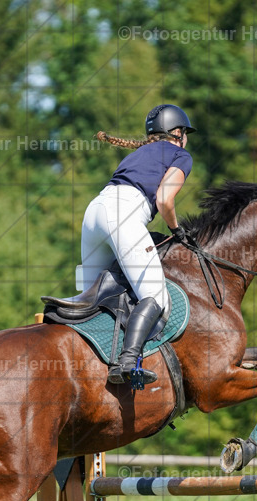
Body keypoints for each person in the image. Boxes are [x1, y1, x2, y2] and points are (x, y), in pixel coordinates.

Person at [82, 104, 195, 385]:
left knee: (89, 301)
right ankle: (127, 362)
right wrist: (176, 230)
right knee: (156, 298)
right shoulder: (181, 155)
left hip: (94, 213)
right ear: (177, 132)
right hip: (124, 215)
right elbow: (164, 201)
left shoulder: (138, 153)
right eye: (185, 132)